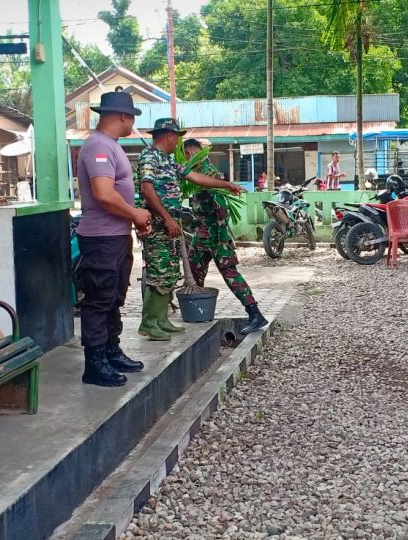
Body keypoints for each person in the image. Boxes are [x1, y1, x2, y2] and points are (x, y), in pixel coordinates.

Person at [136, 119, 244, 341]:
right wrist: (166, 218)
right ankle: (148, 323)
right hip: (158, 224)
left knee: (169, 274)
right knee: (158, 273)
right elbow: (147, 189)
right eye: (176, 136)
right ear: (168, 135)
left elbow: (196, 178)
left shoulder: (169, 161)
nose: (178, 140)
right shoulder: (149, 157)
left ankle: (161, 320)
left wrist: (226, 184)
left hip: (171, 226)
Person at [76, 89, 153, 387]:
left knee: (113, 298)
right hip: (101, 238)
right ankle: (94, 364)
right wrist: (134, 214)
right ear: (122, 116)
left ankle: (110, 350)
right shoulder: (98, 146)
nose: (132, 121)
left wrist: (132, 220)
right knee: (99, 300)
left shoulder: (111, 145)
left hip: (116, 236)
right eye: (132, 116)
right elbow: (103, 194)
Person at [183, 139, 268, 335]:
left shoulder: (208, 172)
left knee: (230, 274)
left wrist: (221, 237)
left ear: (189, 154)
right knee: (194, 271)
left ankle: (255, 314)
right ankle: (197, 311)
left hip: (215, 236)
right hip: (202, 234)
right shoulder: (196, 172)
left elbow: (221, 206)